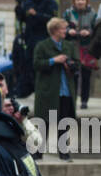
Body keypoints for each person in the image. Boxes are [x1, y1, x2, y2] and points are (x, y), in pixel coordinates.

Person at [32, 17, 76, 162]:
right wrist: (53, 61)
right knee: (44, 121)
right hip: (48, 91)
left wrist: (71, 65)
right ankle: (38, 151)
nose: (66, 31)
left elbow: (78, 64)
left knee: (64, 122)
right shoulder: (42, 46)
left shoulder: (69, 45)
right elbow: (36, 64)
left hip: (66, 91)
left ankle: (63, 152)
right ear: (55, 30)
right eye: (63, 28)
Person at [18, 0, 58, 94]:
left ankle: (44, 87)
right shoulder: (28, 2)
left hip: (44, 37)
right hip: (30, 38)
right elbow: (22, 19)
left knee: (43, 64)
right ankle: (33, 87)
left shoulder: (50, 3)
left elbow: (52, 19)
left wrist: (36, 14)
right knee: (30, 64)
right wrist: (19, 8)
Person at [62, 0, 96, 110]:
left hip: (87, 48)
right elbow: (62, 27)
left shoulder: (92, 13)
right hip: (72, 47)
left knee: (86, 76)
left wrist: (89, 32)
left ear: (86, 1)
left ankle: (84, 101)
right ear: (74, 1)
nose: (80, 2)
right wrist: (68, 31)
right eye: (78, 0)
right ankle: (73, 99)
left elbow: (96, 29)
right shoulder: (67, 13)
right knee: (73, 75)